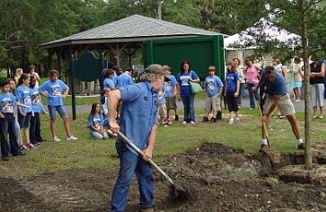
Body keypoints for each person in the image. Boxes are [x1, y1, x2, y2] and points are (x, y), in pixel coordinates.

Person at [107, 64, 166, 212]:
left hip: (142, 146)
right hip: (129, 144)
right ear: (157, 78)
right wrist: (112, 120)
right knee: (125, 179)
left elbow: (153, 126)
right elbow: (113, 95)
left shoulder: (154, 97)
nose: (164, 82)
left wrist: (149, 149)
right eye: (164, 78)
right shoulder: (138, 89)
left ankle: (147, 206)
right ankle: (116, 210)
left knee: (146, 176)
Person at [252, 66, 305, 150]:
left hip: (282, 96)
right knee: (266, 119)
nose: (270, 79)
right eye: (268, 77)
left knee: (292, 118)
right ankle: (264, 143)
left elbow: (276, 101)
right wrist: (256, 87)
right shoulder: (264, 73)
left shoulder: (280, 80)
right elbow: (262, 80)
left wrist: (267, 114)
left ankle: (300, 142)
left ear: (275, 74)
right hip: (269, 95)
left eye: (272, 77)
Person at [38, 70, 78, 142]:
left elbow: (67, 87)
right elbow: (39, 90)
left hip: (59, 103)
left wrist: (65, 94)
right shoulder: (47, 83)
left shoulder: (59, 82)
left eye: (56, 76)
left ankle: (69, 135)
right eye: (53, 76)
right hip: (51, 103)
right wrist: (46, 95)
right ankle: (54, 136)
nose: (55, 78)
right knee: (53, 119)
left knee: (66, 118)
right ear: (50, 76)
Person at [0, 79, 25, 161]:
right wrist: (2, 116)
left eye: (8, 87)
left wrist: (14, 114)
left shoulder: (11, 95)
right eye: (6, 87)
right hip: (4, 116)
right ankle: (5, 153)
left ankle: (15, 150)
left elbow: (14, 105)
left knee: (13, 133)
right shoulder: (0, 96)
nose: (7, 88)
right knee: (4, 135)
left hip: (11, 115)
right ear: (2, 87)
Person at [16, 74, 34, 149]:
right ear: (23, 80)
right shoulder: (19, 89)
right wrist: (20, 111)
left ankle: (28, 142)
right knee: (21, 127)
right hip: (23, 110)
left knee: (27, 126)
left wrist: (31, 110)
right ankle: (20, 143)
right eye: (28, 80)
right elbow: (18, 101)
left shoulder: (28, 89)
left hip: (29, 110)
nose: (29, 81)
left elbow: (30, 100)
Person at [29, 75, 47, 145]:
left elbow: (39, 101)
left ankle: (38, 137)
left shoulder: (37, 89)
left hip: (37, 109)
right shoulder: (28, 90)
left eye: (35, 81)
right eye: (32, 81)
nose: (33, 83)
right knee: (33, 124)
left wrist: (42, 110)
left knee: (38, 124)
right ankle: (32, 139)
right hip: (32, 110)